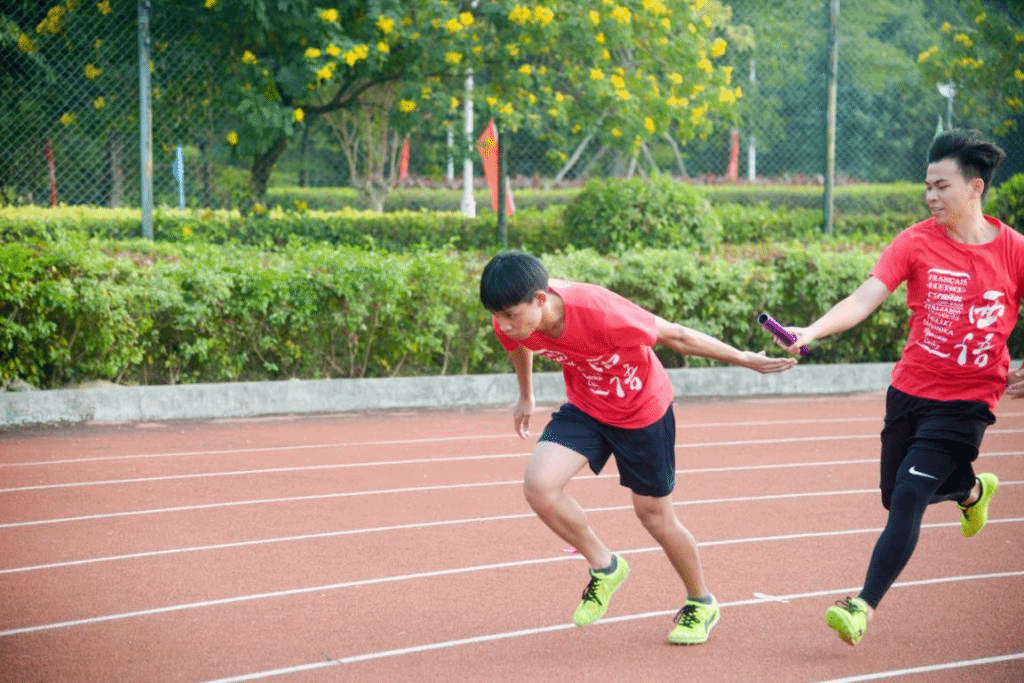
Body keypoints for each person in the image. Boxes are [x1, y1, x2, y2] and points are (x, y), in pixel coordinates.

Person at [776, 129, 1024, 646]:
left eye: (942, 186)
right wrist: (811, 331)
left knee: (911, 494)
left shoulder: (1014, 251)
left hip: (969, 400)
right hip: (911, 391)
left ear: (975, 187)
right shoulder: (914, 242)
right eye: (927, 186)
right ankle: (972, 490)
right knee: (896, 496)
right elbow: (864, 298)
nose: (931, 196)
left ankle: (861, 605)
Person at [479, 250, 797, 644]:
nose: (504, 325)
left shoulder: (598, 312)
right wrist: (526, 395)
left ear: (541, 299)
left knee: (655, 517)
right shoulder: (511, 319)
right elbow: (517, 345)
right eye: (498, 316)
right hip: (588, 406)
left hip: (641, 411)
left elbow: (675, 335)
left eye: (511, 316)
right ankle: (605, 566)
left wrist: (744, 359)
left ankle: (701, 601)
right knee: (539, 486)